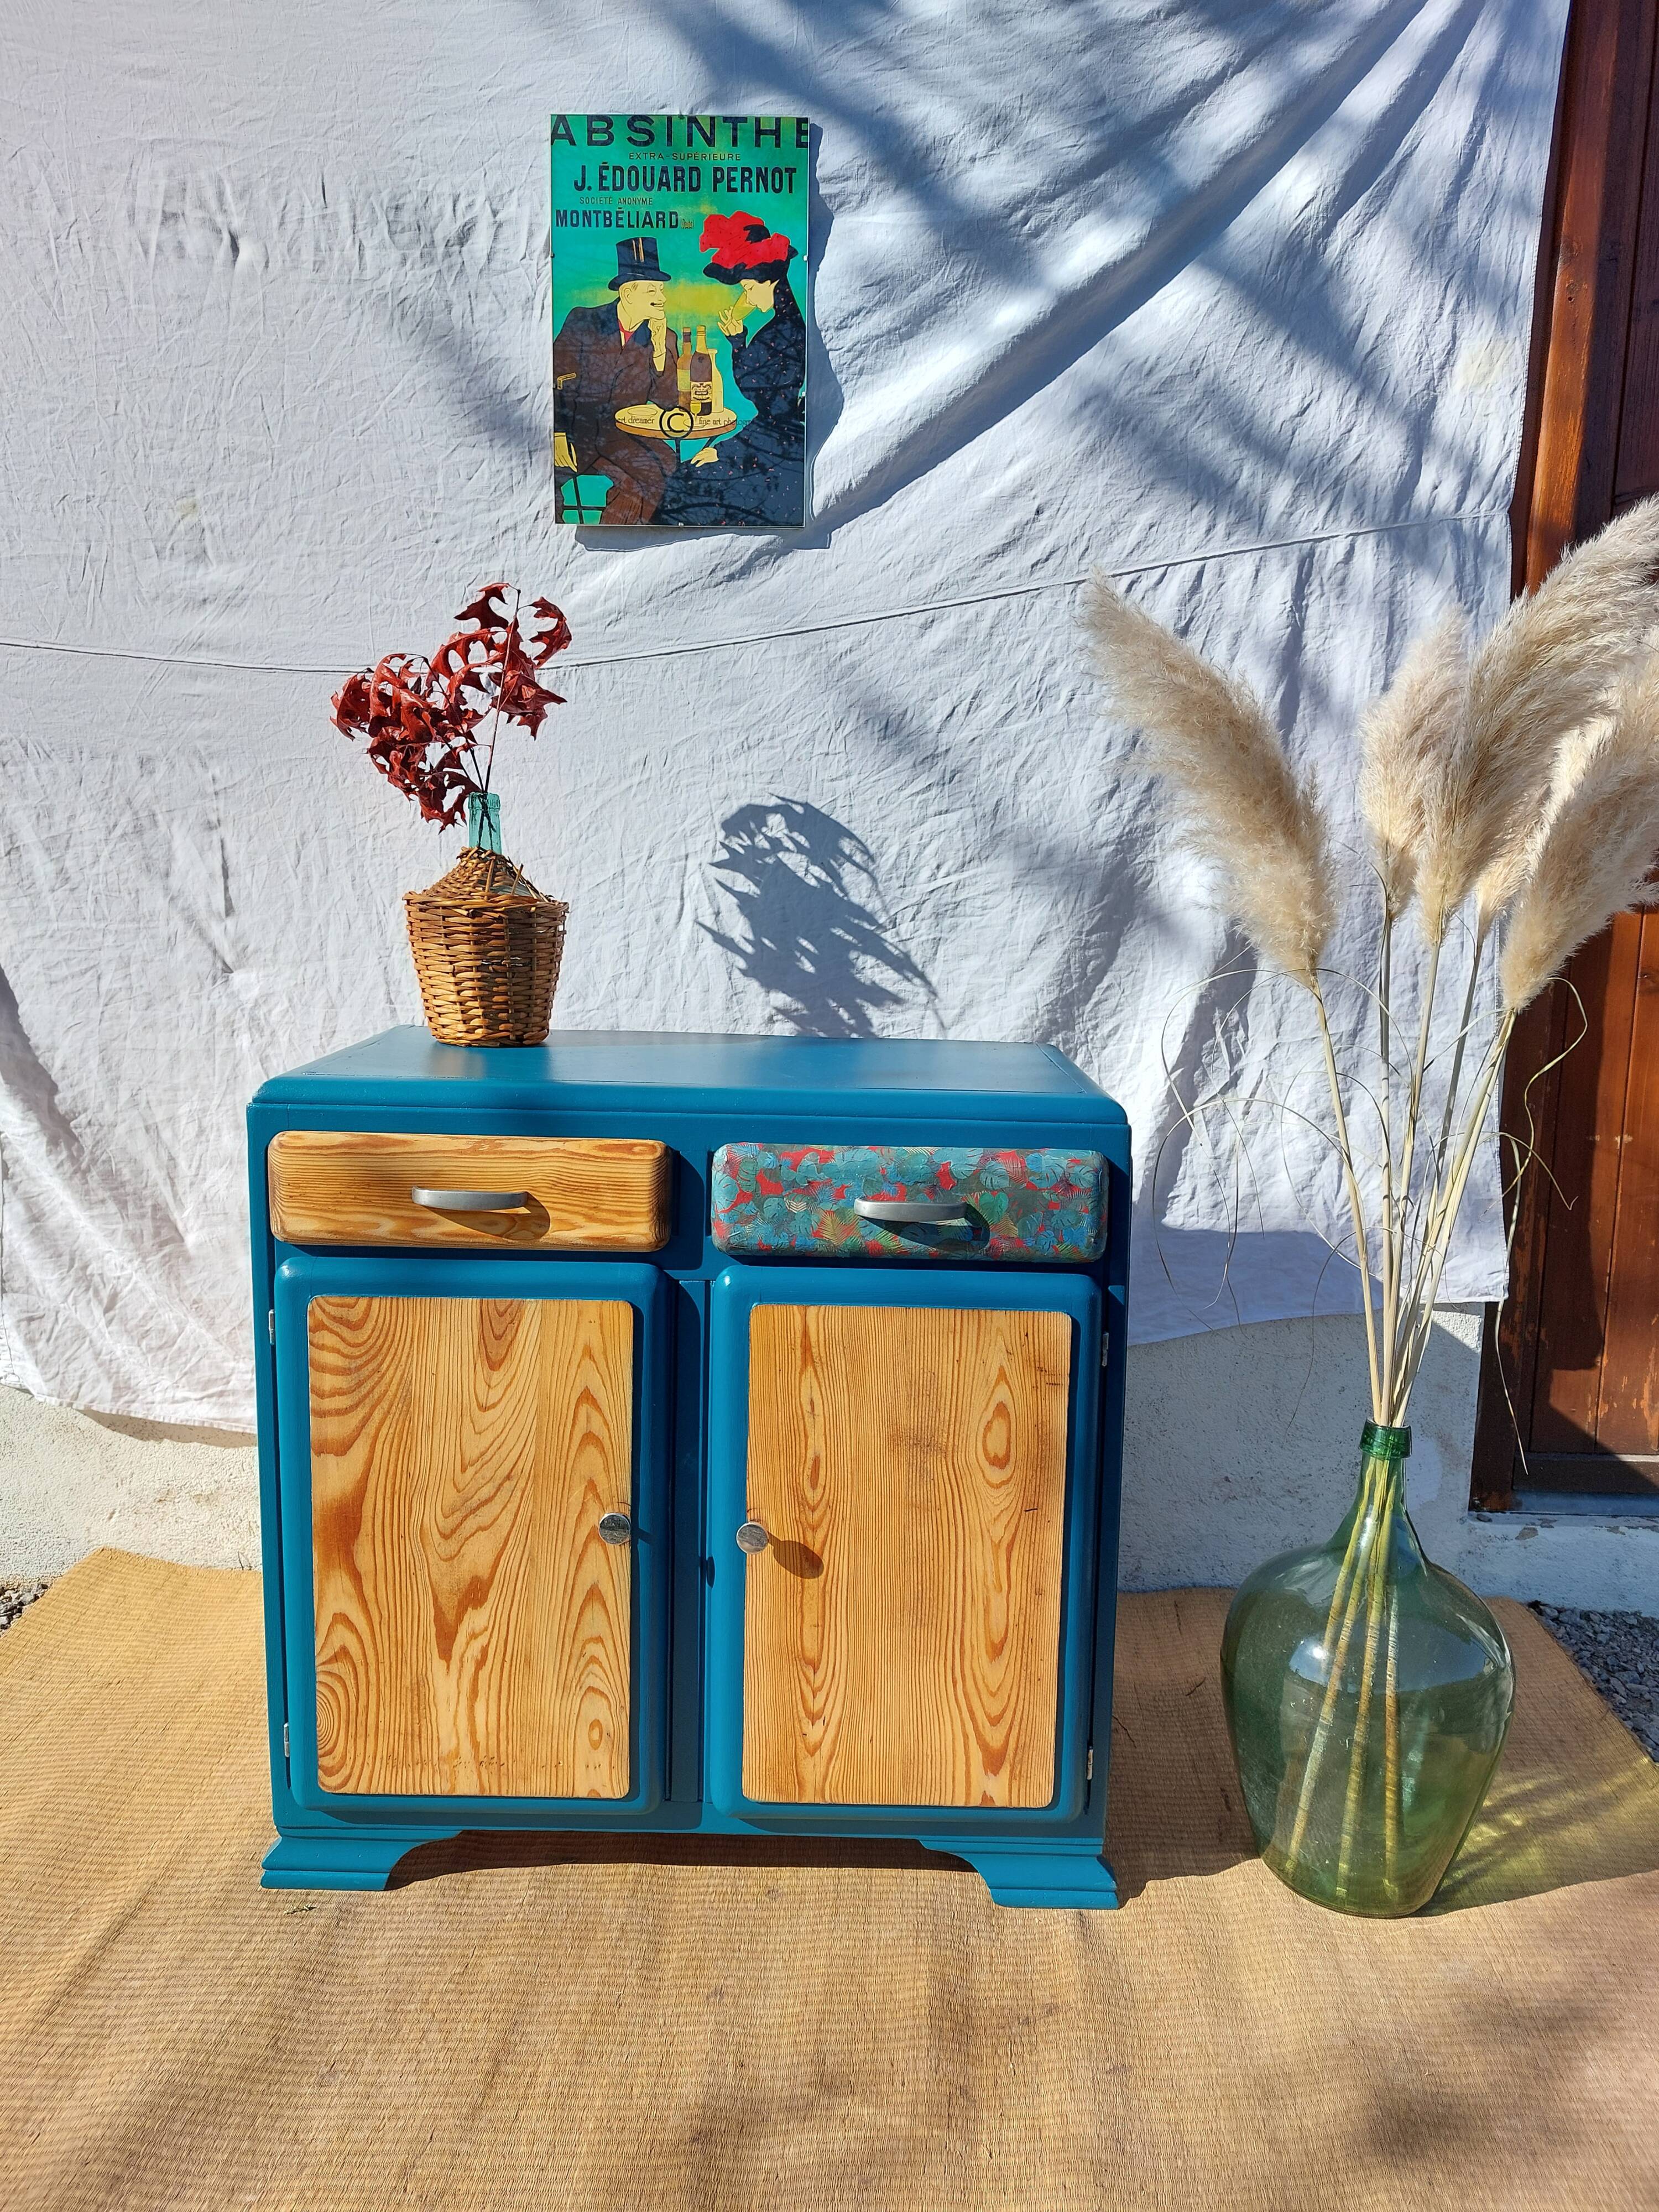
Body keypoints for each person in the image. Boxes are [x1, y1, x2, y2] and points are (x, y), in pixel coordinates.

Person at [654, 211, 805, 527]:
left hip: (777, 457)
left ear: (770, 282)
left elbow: (770, 407)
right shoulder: (782, 326)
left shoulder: (785, 333)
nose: (746, 296)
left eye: (749, 287)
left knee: (683, 487)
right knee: (683, 478)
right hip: (768, 444)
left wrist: (725, 453)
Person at [552, 237, 681, 523]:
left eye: (661, 290)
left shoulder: (664, 337)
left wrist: (660, 350)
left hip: (625, 438)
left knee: (667, 471)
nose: (661, 298)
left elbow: (667, 402)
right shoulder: (584, 322)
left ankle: (618, 537)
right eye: (652, 290)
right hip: (575, 435)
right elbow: (556, 380)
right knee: (540, 483)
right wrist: (558, 434)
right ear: (628, 293)